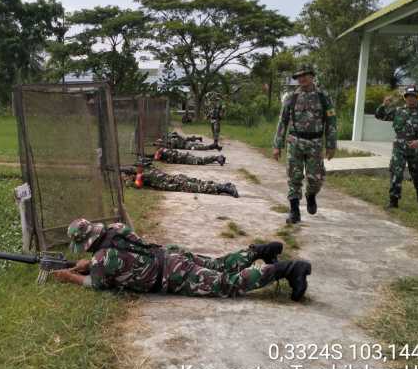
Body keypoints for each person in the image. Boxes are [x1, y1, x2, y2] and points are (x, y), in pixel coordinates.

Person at [52, 219, 312, 302]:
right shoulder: (116, 229)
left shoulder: (100, 261)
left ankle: (288, 269)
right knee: (219, 264)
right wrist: (90, 263)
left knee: (226, 283)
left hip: (172, 274)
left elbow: (96, 284)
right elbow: (120, 256)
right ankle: (259, 251)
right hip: (171, 254)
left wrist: (70, 276)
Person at [273, 65, 337, 224]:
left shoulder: (323, 97)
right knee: (294, 177)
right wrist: (277, 145)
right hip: (295, 142)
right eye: (299, 76)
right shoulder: (291, 97)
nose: (301, 79)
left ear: (312, 76)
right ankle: (294, 211)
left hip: (315, 143)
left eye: (305, 75)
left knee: (315, 179)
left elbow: (331, 121)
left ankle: (311, 195)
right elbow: (283, 121)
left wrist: (331, 145)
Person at [375, 86, 418, 208]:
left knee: (417, 174)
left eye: (414, 97)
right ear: (405, 98)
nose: (411, 99)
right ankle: (393, 200)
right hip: (399, 147)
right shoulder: (398, 111)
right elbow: (380, 116)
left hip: (415, 148)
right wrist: (383, 105)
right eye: (408, 97)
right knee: (396, 172)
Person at [121, 163, 239, 197]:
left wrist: (127, 180)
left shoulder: (141, 175)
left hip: (174, 183)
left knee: (200, 187)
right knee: (200, 182)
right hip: (176, 178)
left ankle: (226, 189)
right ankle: (224, 185)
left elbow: (136, 185)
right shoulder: (149, 169)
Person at [152, 147, 226, 166]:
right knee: (200, 160)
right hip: (185, 157)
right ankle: (218, 158)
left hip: (185, 158)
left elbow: (157, 158)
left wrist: (157, 156)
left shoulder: (165, 152)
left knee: (201, 161)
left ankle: (217, 157)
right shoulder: (164, 152)